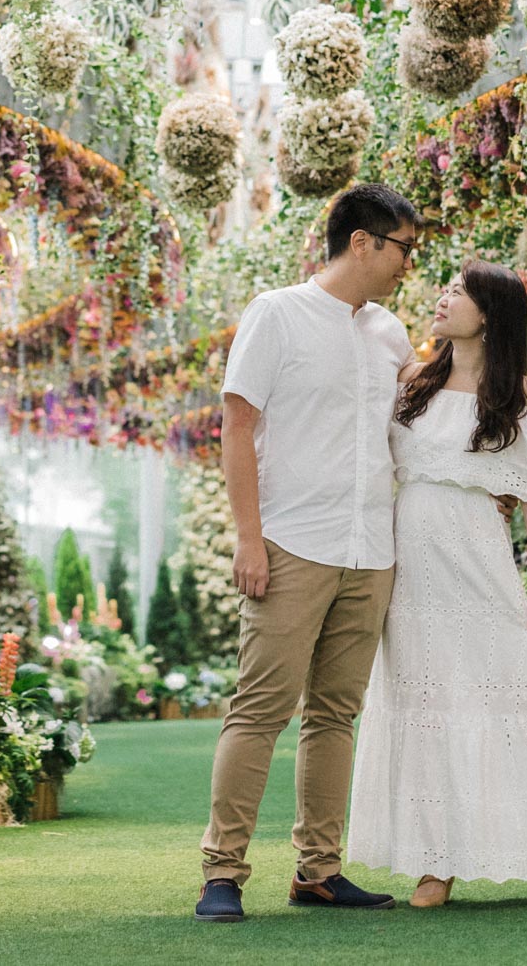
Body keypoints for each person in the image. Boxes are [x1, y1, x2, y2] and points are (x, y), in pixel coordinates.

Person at [195, 182, 421, 922]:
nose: (407, 264)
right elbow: (235, 426)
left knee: (335, 716)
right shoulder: (276, 314)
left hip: (371, 548)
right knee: (259, 710)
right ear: (363, 242)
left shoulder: (389, 332)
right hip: (292, 543)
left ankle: (319, 871)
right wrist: (249, 538)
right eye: (403, 249)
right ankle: (222, 873)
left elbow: (428, 413)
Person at [347, 259, 527, 907]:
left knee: (502, 705)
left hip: (480, 567)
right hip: (410, 572)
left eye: (460, 292)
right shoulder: (412, 382)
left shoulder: (520, 395)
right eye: (446, 289)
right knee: (424, 711)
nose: (444, 299)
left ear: (492, 314)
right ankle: (435, 863)